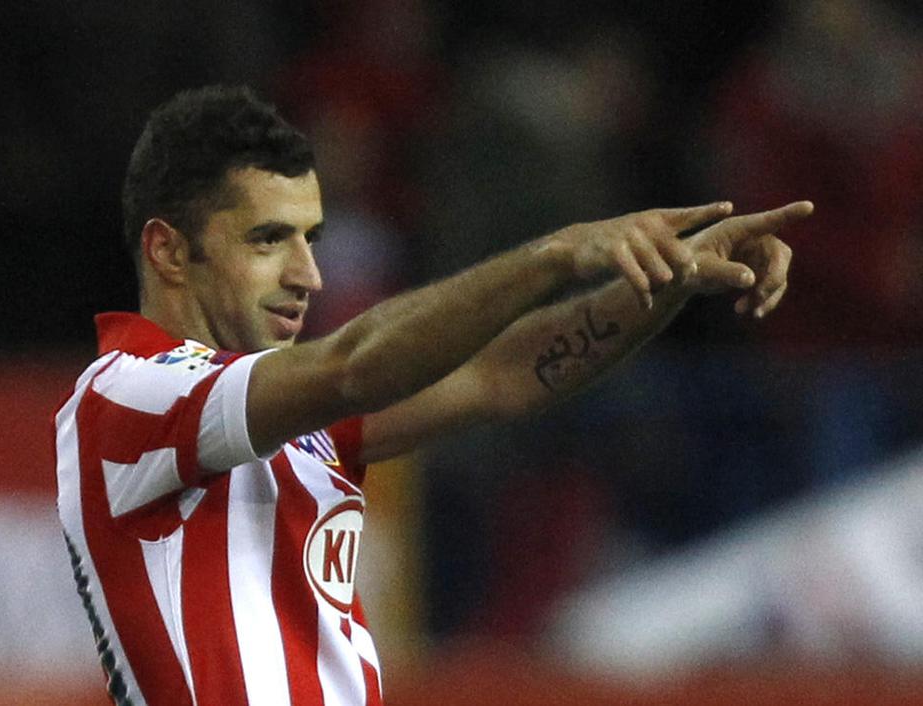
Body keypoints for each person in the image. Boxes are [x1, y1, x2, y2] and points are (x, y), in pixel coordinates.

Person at [53, 85, 813, 706]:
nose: (307, 275)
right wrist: (556, 254)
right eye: (268, 239)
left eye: (311, 239)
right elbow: (354, 366)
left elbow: (501, 375)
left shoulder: (287, 417)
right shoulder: (128, 397)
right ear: (168, 250)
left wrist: (665, 278)